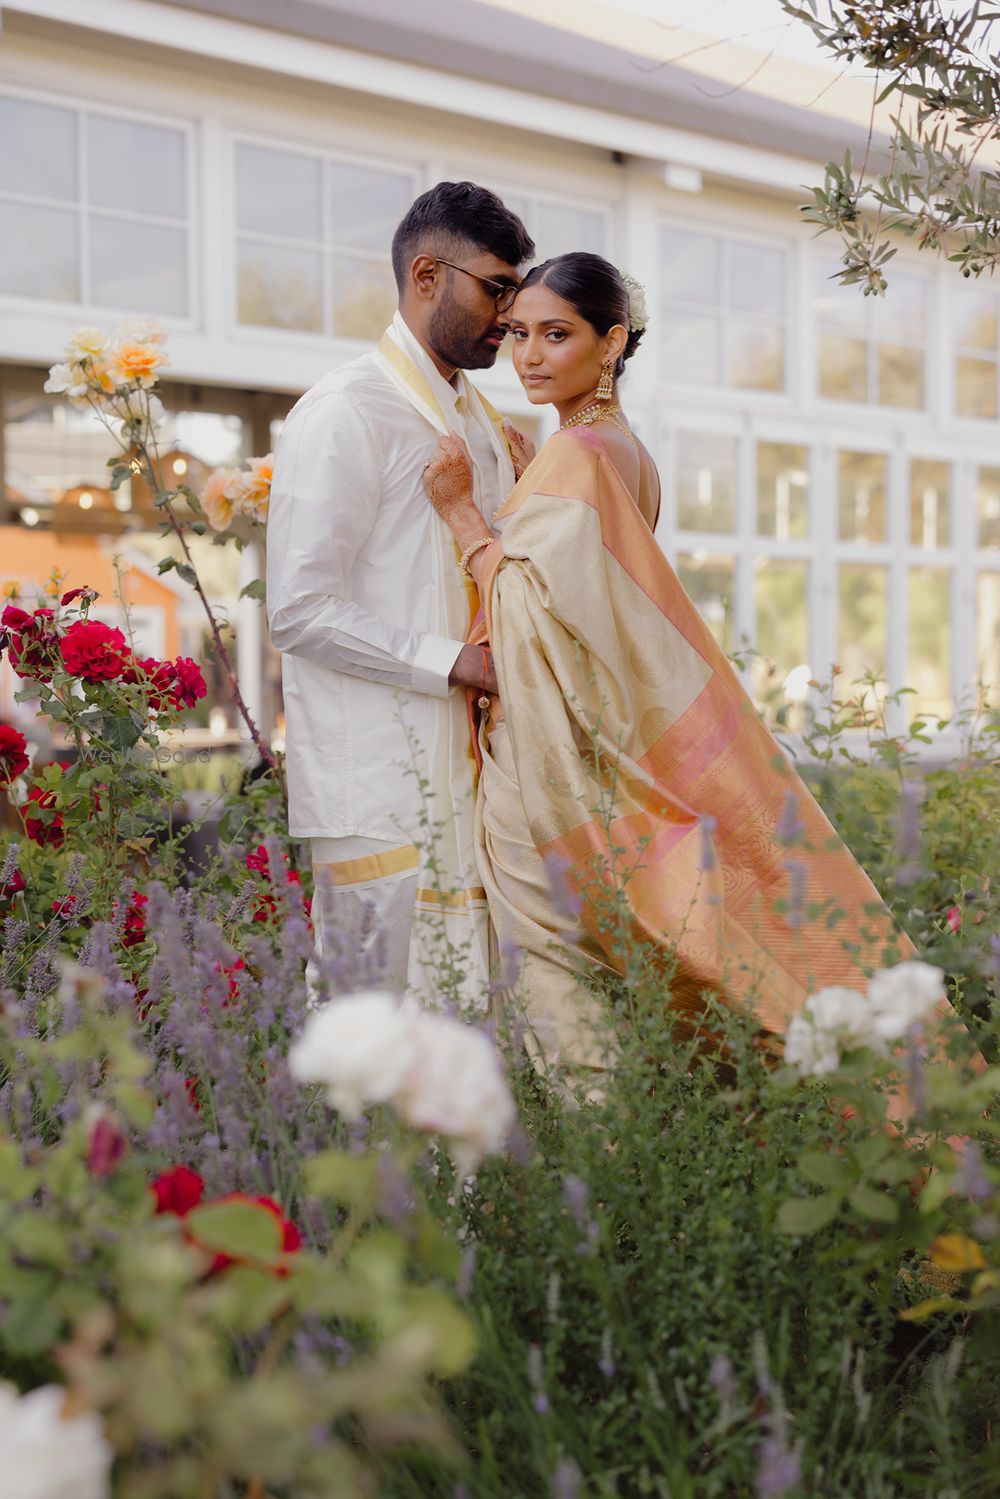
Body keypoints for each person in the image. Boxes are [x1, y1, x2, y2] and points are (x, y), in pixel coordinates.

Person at [422, 252, 906, 1079]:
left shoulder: (579, 457)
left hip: (551, 758)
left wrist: (464, 513)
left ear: (611, 342)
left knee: (560, 987)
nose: (529, 355)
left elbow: (532, 613)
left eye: (556, 334)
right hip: (601, 745)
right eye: (518, 334)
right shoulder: (620, 448)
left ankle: (597, 1187)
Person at [266, 182, 535, 1004]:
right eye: (496, 288)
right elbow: (298, 607)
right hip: (377, 783)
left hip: (469, 777)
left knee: (464, 1020)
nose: (510, 314)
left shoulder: (483, 422)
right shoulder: (347, 410)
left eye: (516, 292)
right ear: (427, 276)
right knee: (374, 1036)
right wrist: (457, 661)